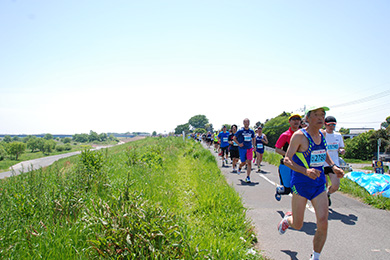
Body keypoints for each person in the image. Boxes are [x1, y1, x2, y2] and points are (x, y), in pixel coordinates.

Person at [277, 106, 344, 260]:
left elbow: (323, 152)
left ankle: (316, 256)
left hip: (319, 184)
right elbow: (287, 159)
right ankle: (288, 220)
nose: (321, 118)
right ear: (307, 118)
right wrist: (305, 171)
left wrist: (334, 166)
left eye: (323, 115)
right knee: (298, 224)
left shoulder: (322, 134)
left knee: (323, 221)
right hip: (301, 184)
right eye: (316, 115)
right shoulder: (299, 136)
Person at [274, 113, 302, 200]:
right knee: (287, 190)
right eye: (294, 119)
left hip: (300, 165)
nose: (296, 121)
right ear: (289, 122)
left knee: (297, 189)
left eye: (298, 119)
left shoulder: (303, 135)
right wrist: (288, 155)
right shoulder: (285, 135)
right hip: (286, 165)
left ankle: (295, 212)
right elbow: (277, 149)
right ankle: (279, 190)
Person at [323, 116, 345, 206]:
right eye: (329, 125)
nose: (332, 127)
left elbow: (340, 147)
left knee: (336, 185)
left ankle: (328, 193)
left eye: (334, 125)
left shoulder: (338, 135)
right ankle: (323, 202)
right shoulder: (321, 134)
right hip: (322, 163)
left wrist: (341, 150)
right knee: (324, 185)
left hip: (334, 164)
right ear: (325, 125)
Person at [233, 118, 256, 183]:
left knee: (249, 162)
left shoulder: (251, 131)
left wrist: (254, 146)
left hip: (249, 148)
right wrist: (239, 144)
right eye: (245, 122)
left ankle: (248, 177)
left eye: (248, 122)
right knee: (243, 162)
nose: (247, 124)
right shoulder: (240, 131)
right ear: (243, 123)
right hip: (242, 149)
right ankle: (240, 167)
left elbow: (254, 138)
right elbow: (234, 138)